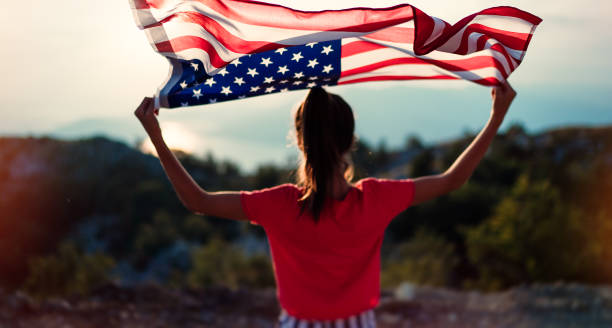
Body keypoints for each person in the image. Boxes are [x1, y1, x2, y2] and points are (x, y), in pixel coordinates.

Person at [134, 81, 516, 327]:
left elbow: (197, 201)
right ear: (350, 141)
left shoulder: (280, 206)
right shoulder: (376, 199)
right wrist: (496, 116)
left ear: (300, 141)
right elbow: (453, 179)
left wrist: (157, 137)